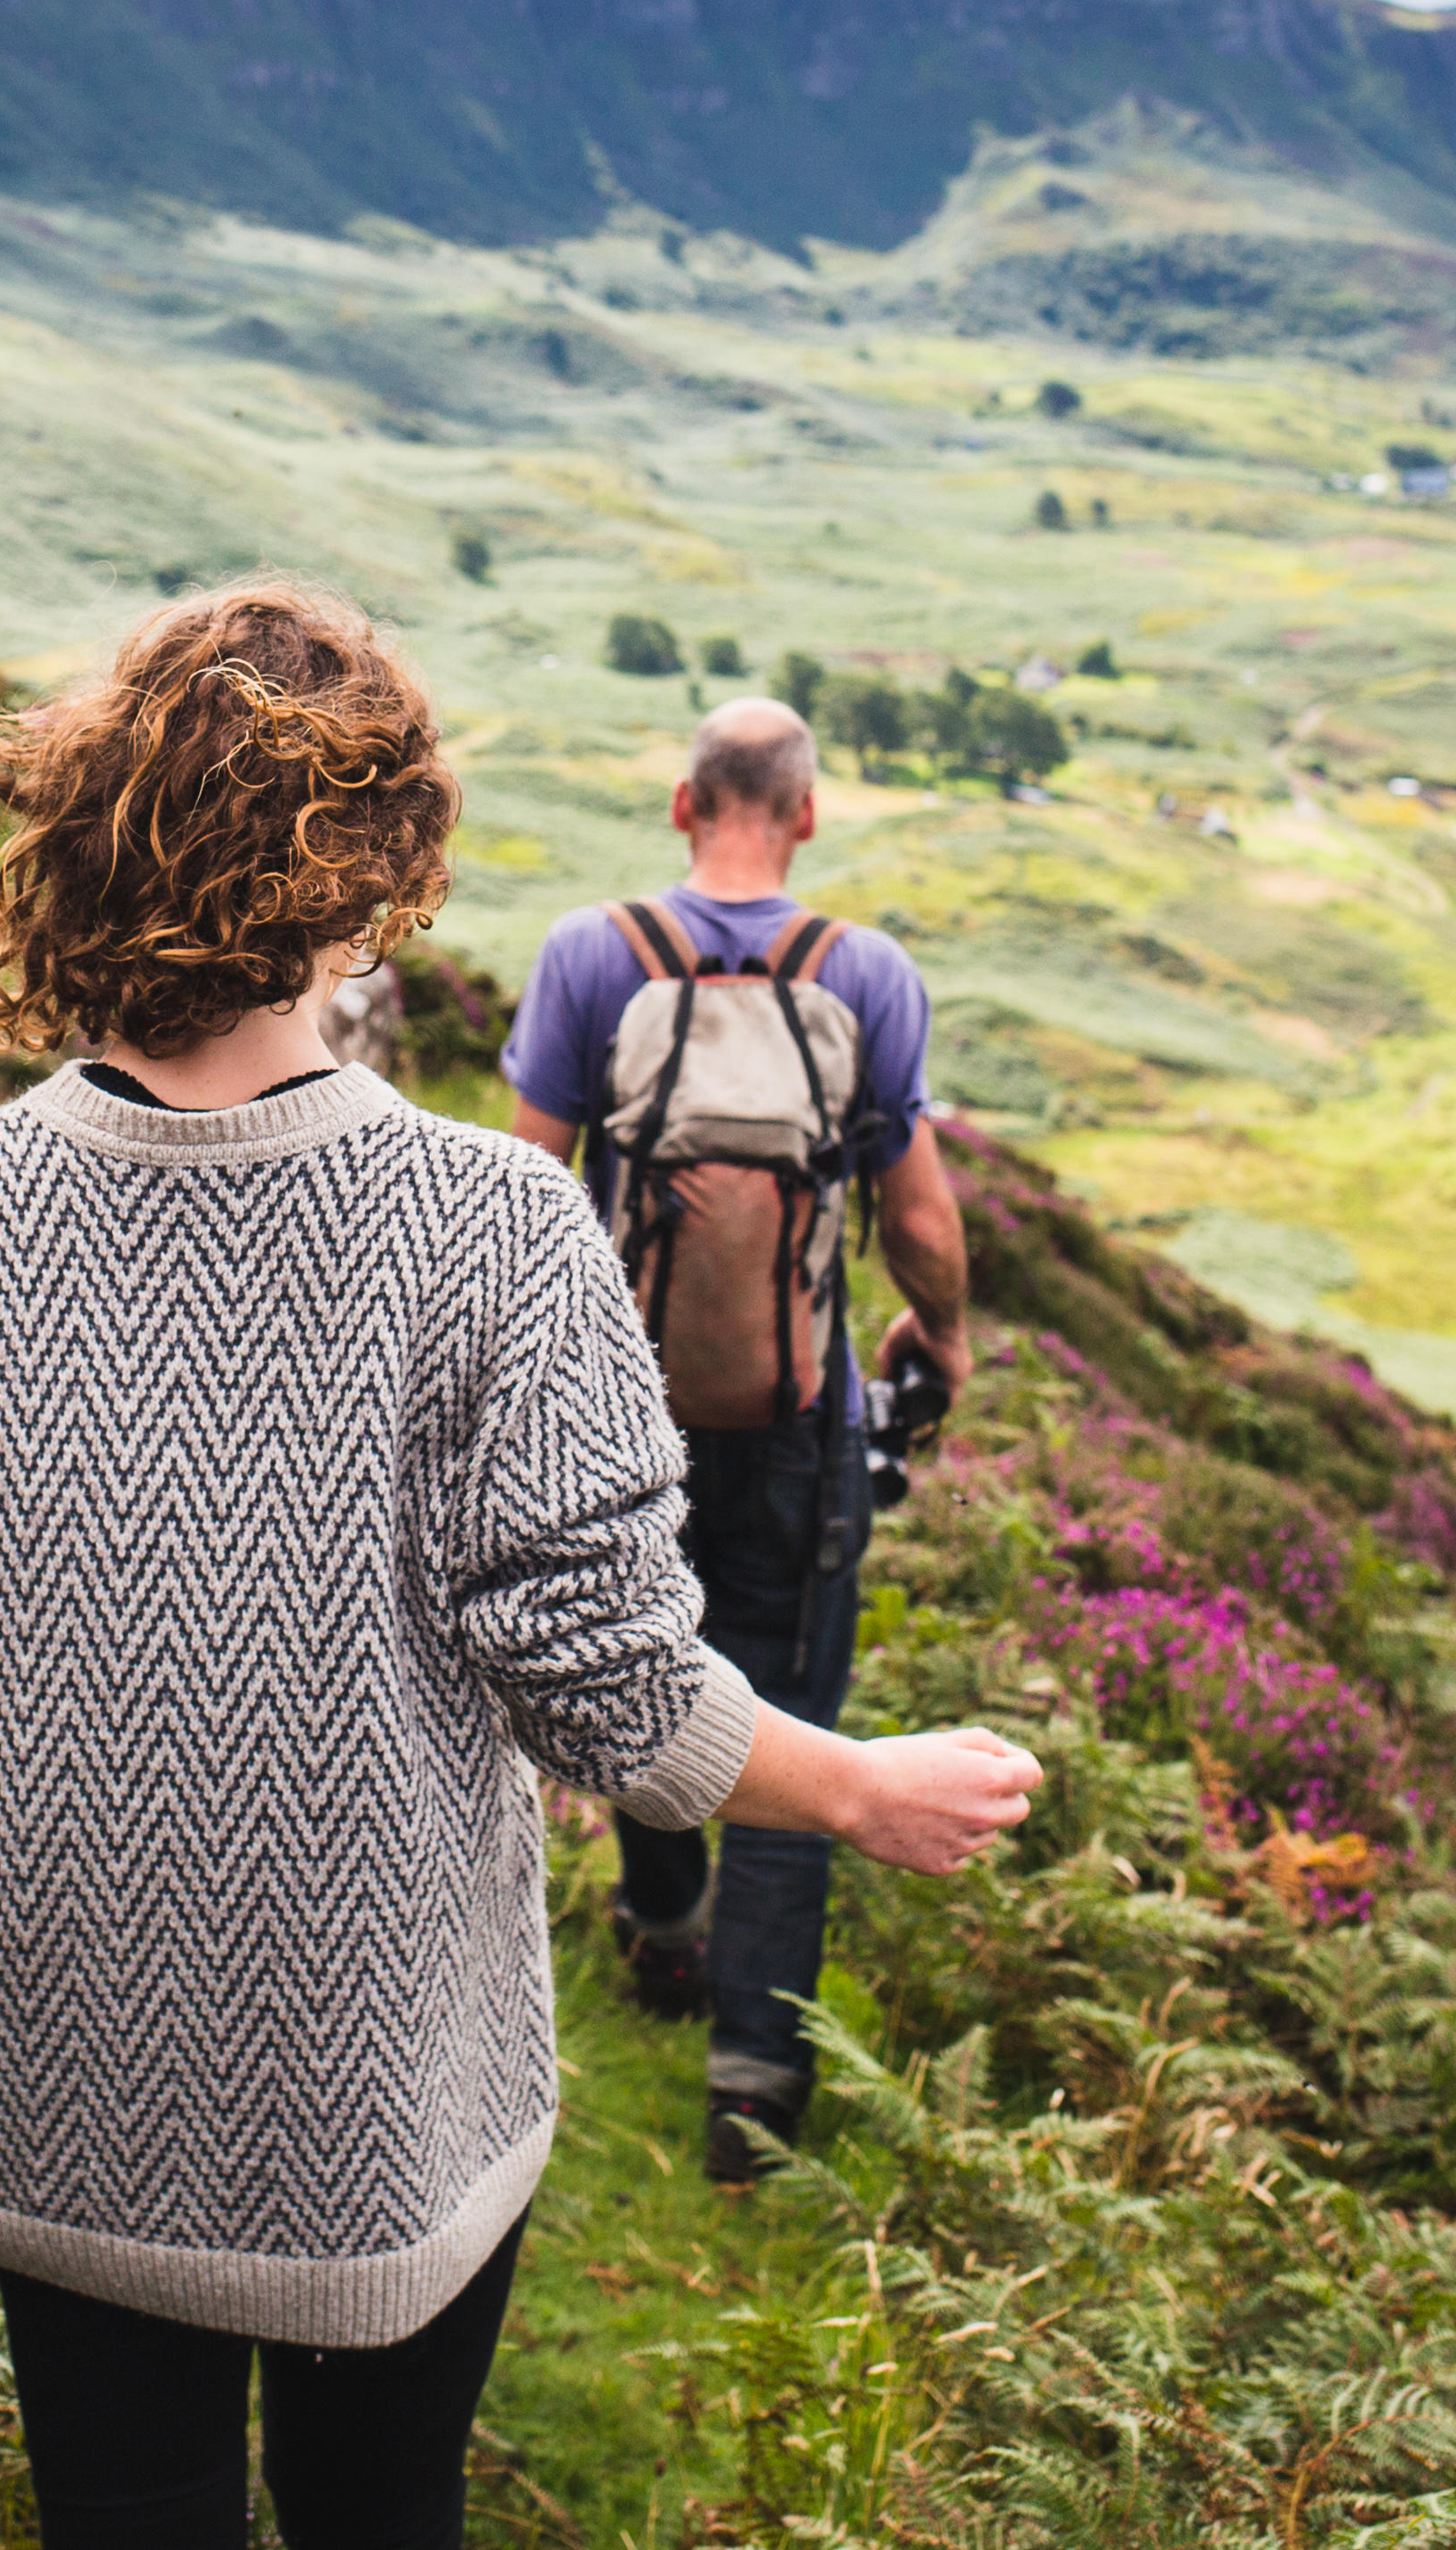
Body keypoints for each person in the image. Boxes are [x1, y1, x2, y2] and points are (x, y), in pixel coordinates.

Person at [0, 584, 1038, 2550]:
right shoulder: (494, 1233)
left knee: (130, 2509)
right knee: (380, 2513)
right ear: (374, 882)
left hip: (48, 2057)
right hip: (375, 2090)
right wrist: (855, 1783)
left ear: (78, 846)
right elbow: (601, 1684)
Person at [500, 693, 973, 2182]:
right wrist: (939, 1335)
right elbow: (916, 1216)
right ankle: (755, 2099)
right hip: (801, 1416)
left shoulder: (594, 955)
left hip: (617, 1418)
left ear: (684, 805)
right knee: (799, 1710)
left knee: (642, 1660)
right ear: (808, 815)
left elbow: (527, 1194)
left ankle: (657, 1926)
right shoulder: (866, 975)